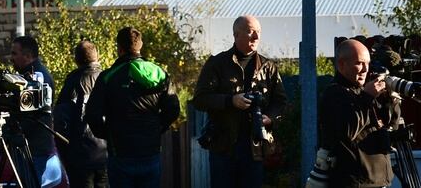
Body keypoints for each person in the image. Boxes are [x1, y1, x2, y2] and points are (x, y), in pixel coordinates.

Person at [193, 15, 287, 188]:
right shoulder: (217, 64)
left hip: (255, 147)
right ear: (236, 35)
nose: (256, 37)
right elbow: (200, 99)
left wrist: (269, 118)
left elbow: (281, 102)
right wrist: (230, 101)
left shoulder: (268, 67)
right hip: (224, 147)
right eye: (250, 32)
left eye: (258, 32)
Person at [85, 27, 180, 188]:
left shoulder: (108, 77)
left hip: (120, 153)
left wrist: (108, 133)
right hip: (150, 151)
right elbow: (173, 110)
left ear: (119, 48)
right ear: (140, 46)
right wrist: (157, 128)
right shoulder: (159, 73)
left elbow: (92, 114)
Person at [316, 39, 393, 188]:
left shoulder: (365, 92)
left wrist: (391, 100)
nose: (365, 69)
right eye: (359, 63)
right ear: (341, 64)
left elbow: (391, 124)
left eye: (368, 63)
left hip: (379, 180)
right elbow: (347, 131)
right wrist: (367, 98)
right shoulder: (334, 94)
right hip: (354, 183)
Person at [54, 41, 108, 188]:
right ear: (97, 57)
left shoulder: (73, 81)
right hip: (106, 153)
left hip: (81, 155)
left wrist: (67, 151)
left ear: (76, 59)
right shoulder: (108, 78)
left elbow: (60, 120)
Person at [10, 35, 59, 166]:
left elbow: (31, 116)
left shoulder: (38, 78)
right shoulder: (27, 76)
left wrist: (13, 127)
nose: (11, 58)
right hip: (31, 148)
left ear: (27, 55)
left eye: (15, 53)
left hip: (34, 149)